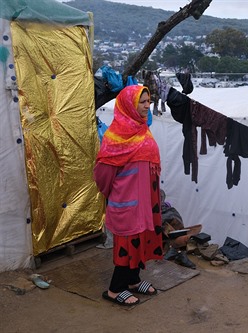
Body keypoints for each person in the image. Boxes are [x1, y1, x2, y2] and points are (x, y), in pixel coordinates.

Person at [93, 85, 164, 306]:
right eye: (142, 102)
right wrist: (114, 195)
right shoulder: (115, 137)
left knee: (141, 238)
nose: (146, 106)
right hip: (127, 201)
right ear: (128, 105)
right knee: (127, 241)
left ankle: (133, 280)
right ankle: (115, 288)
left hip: (145, 201)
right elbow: (103, 174)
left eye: (148, 101)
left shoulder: (142, 129)